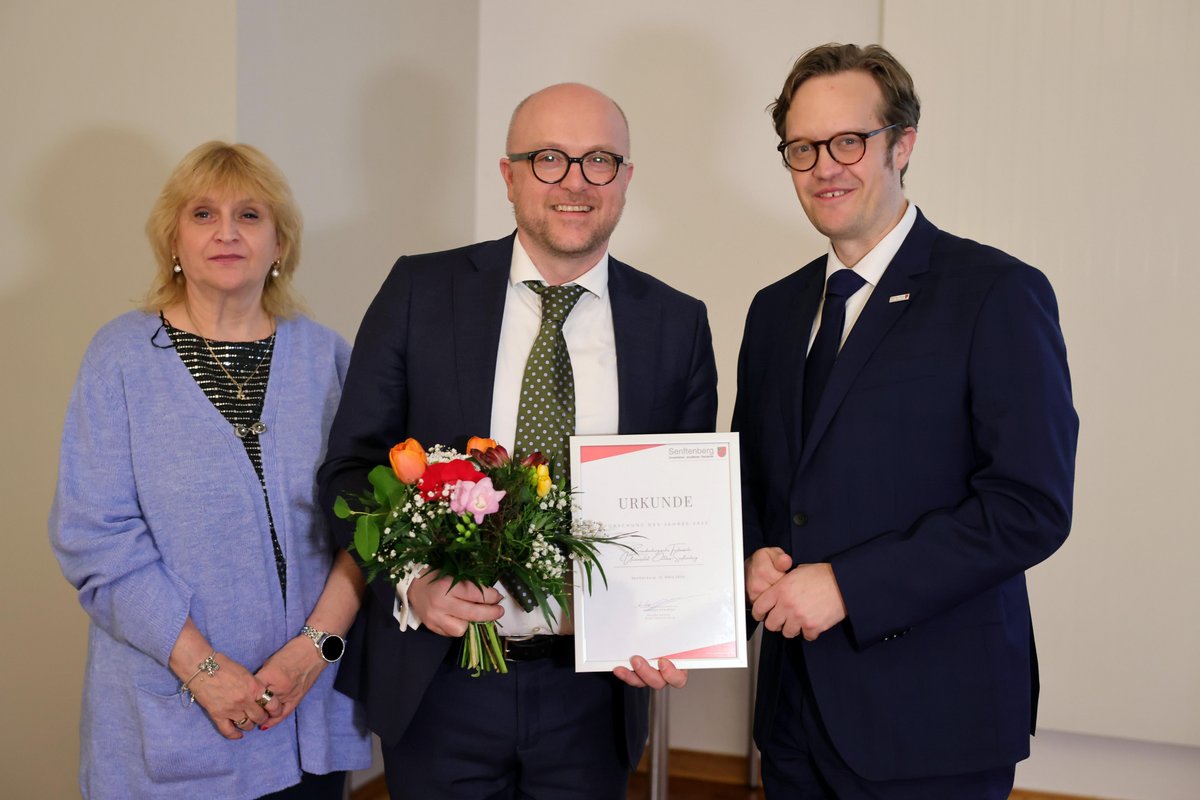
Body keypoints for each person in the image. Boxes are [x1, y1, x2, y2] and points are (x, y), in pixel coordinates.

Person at [318, 82, 718, 799]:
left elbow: (682, 508)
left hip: (593, 697)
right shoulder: (420, 291)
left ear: (626, 179)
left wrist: (673, 617)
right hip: (440, 681)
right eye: (547, 159)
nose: (574, 182)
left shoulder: (677, 325)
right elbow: (350, 473)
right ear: (508, 176)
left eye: (599, 160)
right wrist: (414, 579)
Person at [734, 44, 1078, 798]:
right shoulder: (774, 311)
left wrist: (849, 586)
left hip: (934, 719)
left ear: (903, 143)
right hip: (793, 716)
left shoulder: (996, 293)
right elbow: (758, 486)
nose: (825, 166)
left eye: (849, 141)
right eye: (802, 148)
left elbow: (1030, 508)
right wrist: (753, 557)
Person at [49, 141, 371, 799]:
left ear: (281, 242)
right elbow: (95, 538)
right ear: (172, 237)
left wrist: (314, 649)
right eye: (202, 214)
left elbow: (369, 522)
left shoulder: (327, 358)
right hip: (169, 715)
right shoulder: (119, 359)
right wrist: (203, 669)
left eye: (250, 215)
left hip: (306, 705)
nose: (226, 232)